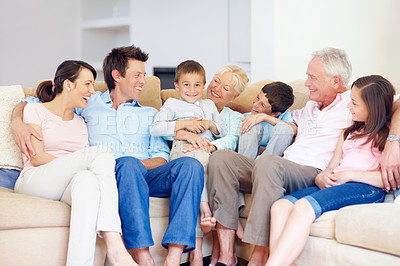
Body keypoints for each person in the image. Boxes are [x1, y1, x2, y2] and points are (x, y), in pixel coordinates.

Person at [11, 46, 204, 266]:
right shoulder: (87, 104)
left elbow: (161, 157)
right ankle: (142, 256)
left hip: (146, 174)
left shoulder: (152, 114)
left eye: (145, 74)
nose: (144, 80)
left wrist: (139, 164)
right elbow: (42, 104)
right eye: (138, 75)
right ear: (117, 75)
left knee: (190, 165)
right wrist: (17, 121)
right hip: (112, 174)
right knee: (127, 165)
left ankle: (174, 257)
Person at [206, 47, 354, 266]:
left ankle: (259, 256)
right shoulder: (310, 107)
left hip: (310, 171)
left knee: (268, 163)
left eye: (312, 77)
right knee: (222, 159)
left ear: (335, 81)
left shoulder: (352, 101)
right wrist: (233, 106)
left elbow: (393, 101)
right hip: (278, 167)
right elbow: (275, 115)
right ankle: (227, 255)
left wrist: (393, 141)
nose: (306, 83)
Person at [13, 60, 136, 266]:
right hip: (35, 178)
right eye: (87, 84)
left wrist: (78, 166)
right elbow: (37, 157)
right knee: (100, 154)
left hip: (65, 183)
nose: (92, 91)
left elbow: (80, 167)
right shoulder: (35, 110)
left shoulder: (80, 122)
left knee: (87, 181)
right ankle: (114, 244)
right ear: (68, 84)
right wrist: (77, 162)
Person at [266, 75, 393, 265]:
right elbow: (332, 166)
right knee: (280, 206)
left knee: (303, 207)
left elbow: (387, 180)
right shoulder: (348, 133)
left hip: (366, 188)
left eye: (355, 103)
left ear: (373, 106)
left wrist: (348, 175)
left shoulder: (387, 137)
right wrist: (323, 176)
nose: (349, 107)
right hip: (337, 183)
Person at [168, 64, 248, 266]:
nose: (216, 88)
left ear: (234, 97)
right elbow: (168, 130)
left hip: (217, 162)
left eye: (226, 88)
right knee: (195, 171)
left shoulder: (236, 117)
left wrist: (209, 145)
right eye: (216, 81)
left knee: (218, 164)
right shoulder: (190, 105)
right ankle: (202, 252)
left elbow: (232, 139)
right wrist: (186, 136)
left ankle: (216, 255)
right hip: (191, 159)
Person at [150, 60, 226, 232]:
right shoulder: (171, 104)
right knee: (198, 162)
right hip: (183, 148)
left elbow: (222, 131)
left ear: (204, 85)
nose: (192, 90)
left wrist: (210, 124)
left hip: (206, 148)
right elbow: (156, 129)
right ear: (176, 85)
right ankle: (205, 207)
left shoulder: (209, 105)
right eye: (186, 85)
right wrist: (183, 126)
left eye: (197, 85)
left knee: (216, 164)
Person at [238, 81, 296, 159]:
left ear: (275, 114)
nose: (255, 104)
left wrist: (265, 117)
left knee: (284, 127)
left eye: (262, 105)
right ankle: (245, 167)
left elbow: (293, 129)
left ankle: (262, 164)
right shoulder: (244, 117)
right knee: (251, 124)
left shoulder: (284, 116)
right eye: (258, 97)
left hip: (268, 160)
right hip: (248, 159)